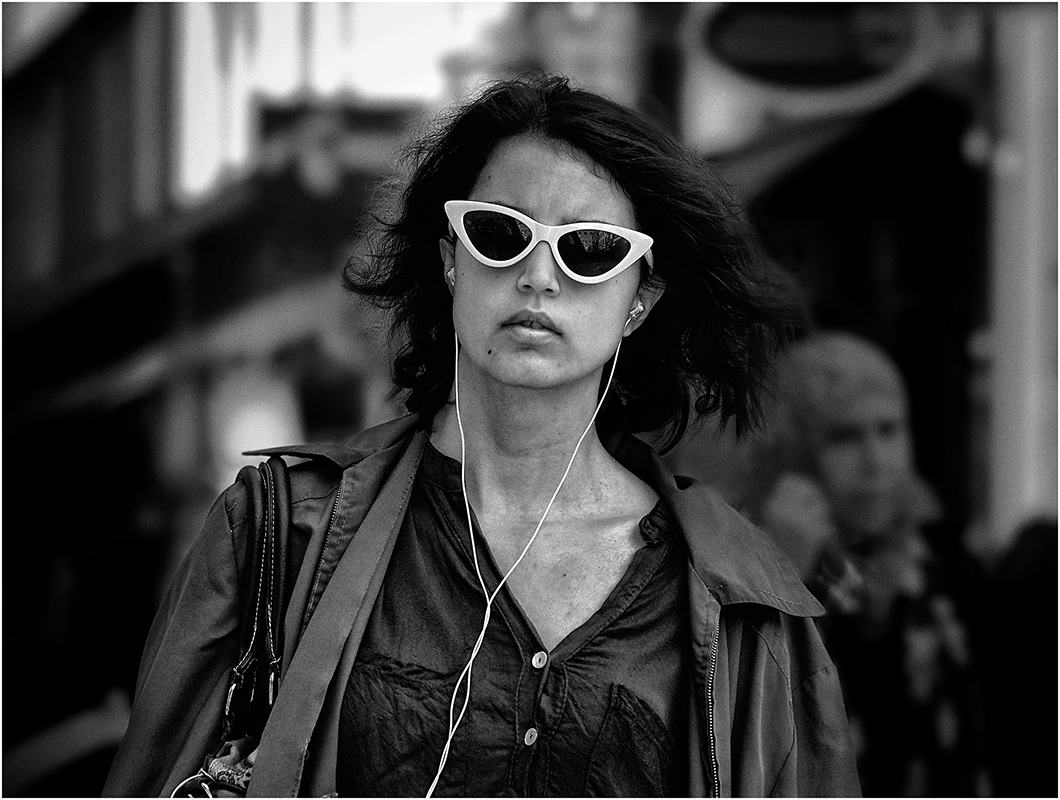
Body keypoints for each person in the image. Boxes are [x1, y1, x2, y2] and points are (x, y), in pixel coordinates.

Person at [104, 74, 860, 797]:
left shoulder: (743, 607)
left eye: (590, 248)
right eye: (500, 234)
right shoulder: (277, 533)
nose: (539, 276)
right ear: (451, 261)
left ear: (641, 298)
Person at [747, 330, 991, 796]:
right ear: (795, 451)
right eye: (844, 437)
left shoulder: (947, 568)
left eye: (889, 430)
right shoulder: (752, 568)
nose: (875, 461)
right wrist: (780, 578)